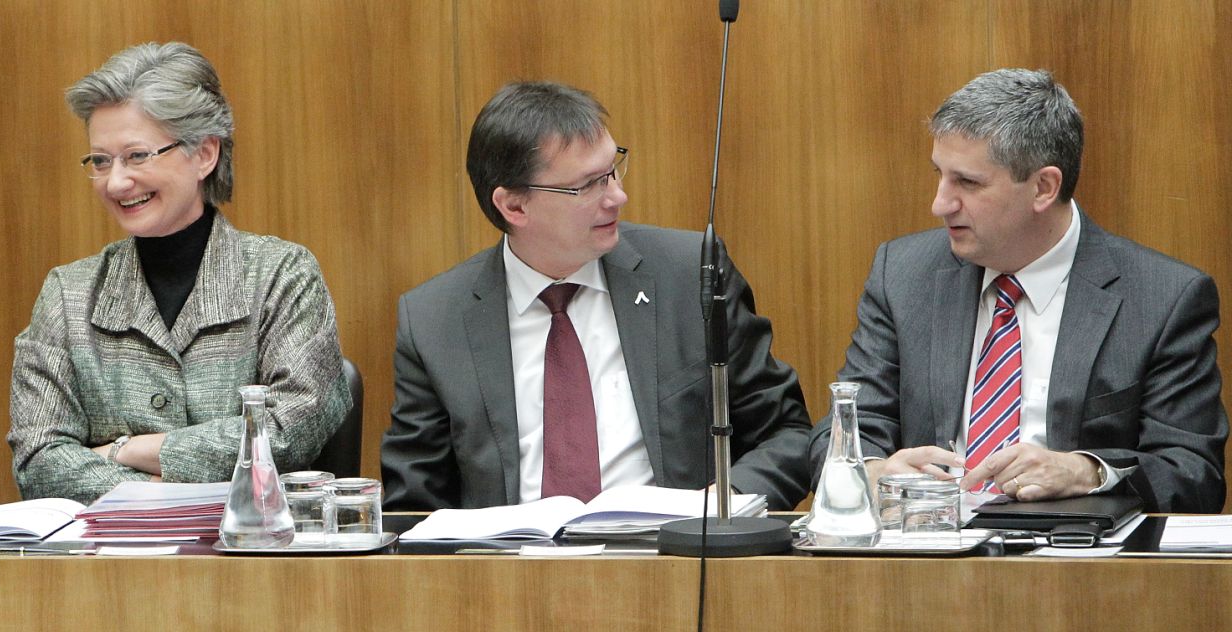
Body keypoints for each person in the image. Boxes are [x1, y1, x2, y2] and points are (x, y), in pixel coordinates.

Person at [381, 81, 814, 511]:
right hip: (511, 569)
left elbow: (787, 433)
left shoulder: (688, 275)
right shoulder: (435, 320)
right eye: (587, 186)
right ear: (514, 207)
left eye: (612, 170)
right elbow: (415, 506)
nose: (617, 197)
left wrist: (724, 502)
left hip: (672, 562)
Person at [810, 68, 1227, 512]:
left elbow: (1192, 475)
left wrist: (1089, 472)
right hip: (926, 555)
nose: (940, 204)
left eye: (967, 183)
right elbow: (846, 427)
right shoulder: (903, 275)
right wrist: (872, 470)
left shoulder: (1163, 298)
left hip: (1077, 564)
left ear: (1043, 188)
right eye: (940, 175)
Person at [9, 42, 351, 504]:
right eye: (101, 161)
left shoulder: (280, 276)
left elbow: (291, 428)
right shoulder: (69, 293)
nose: (116, 182)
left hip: (255, 558)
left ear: (205, 153)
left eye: (137, 156)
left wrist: (134, 449)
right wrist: (153, 494)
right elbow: (38, 457)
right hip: (110, 563)